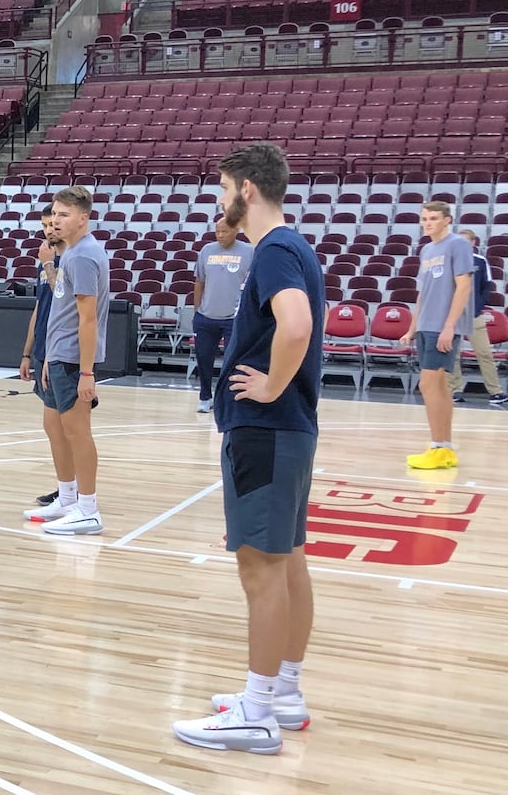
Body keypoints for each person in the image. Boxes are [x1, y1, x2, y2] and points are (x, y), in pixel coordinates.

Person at [172, 142, 323, 756]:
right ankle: (282, 693)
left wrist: (271, 383)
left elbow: (296, 325)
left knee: (260, 568)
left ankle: (256, 712)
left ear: (247, 191)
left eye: (222, 188)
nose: (219, 199)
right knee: (287, 561)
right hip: (287, 431)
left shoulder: (274, 251)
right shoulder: (296, 247)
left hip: (266, 430)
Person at [22, 186, 111, 536]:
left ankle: (88, 510)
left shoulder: (84, 256)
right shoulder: (71, 254)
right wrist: (48, 356)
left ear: (83, 219)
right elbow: (61, 313)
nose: (55, 221)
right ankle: (68, 497)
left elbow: (88, 319)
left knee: (78, 432)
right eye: (54, 214)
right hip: (58, 356)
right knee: (54, 427)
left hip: (75, 361)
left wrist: (87, 371)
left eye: (64, 215)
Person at [400, 200, 473, 470]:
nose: (427, 223)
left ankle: (438, 446)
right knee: (439, 387)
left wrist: (450, 325)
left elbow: (464, 286)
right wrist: (412, 326)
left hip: (442, 326)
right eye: (424, 218)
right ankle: (444, 448)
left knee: (428, 384)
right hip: (425, 325)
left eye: (433, 218)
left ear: (446, 220)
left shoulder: (458, 245)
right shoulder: (427, 250)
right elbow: (423, 292)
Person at [22, 206, 67, 509]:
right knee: (53, 427)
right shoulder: (46, 263)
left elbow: (65, 297)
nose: (49, 230)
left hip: (63, 353)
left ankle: (74, 493)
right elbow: (41, 306)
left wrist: (49, 265)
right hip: (42, 352)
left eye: (53, 224)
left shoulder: (68, 261)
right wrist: (27, 352)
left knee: (67, 427)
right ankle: (67, 487)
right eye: (45, 226)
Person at [194, 217, 254, 414]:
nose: (220, 235)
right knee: (203, 359)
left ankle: (228, 398)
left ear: (236, 230)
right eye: (217, 231)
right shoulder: (206, 251)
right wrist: (197, 311)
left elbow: (253, 285)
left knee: (232, 360)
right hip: (206, 316)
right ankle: (205, 396)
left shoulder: (249, 251)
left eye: (225, 232)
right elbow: (199, 282)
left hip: (234, 318)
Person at [447, 229, 508, 406]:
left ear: (473, 242)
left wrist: (478, 306)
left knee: (485, 353)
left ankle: (495, 392)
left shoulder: (481, 262)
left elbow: (486, 287)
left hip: (474, 315)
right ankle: (455, 390)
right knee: (453, 355)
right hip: (454, 315)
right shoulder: (449, 261)